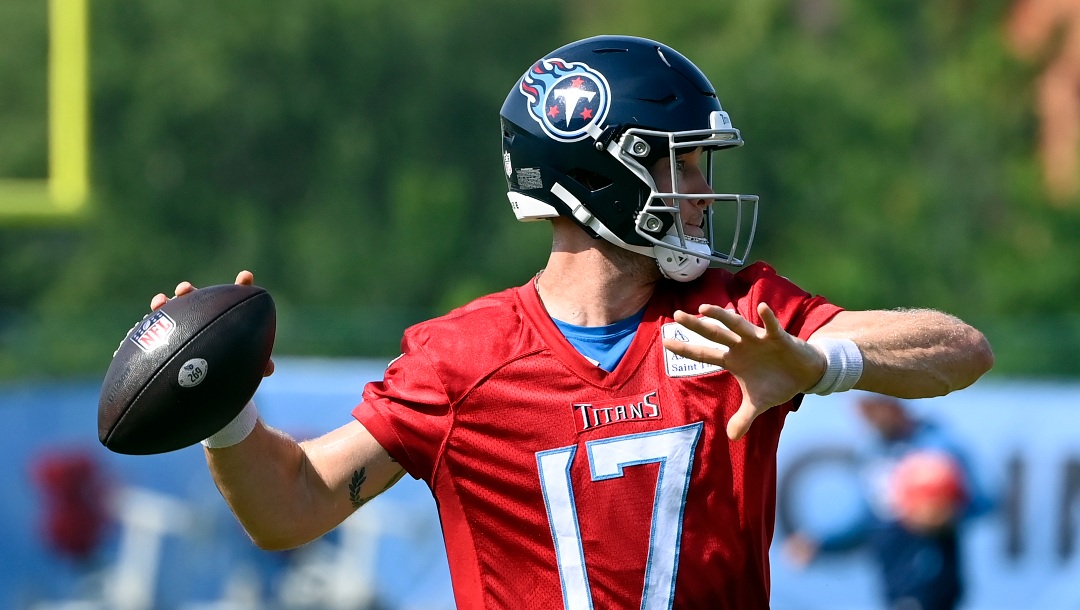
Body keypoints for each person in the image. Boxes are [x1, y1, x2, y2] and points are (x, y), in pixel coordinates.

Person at [151, 35, 993, 609]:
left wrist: (816, 362)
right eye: (683, 163)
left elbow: (959, 350)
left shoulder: (739, 316)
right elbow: (290, 506)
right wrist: (221, 409)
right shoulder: (462, 360)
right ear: (602, 177)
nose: (700, 192)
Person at [784, 394, 992, 610]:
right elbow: (870, 516)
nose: (865, 419)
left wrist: (948, 514)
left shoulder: (940, 444)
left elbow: (984, 500)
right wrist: (822, 543)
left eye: (870, 409)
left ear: (890, 403)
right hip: (893, 576)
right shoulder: (874, 451)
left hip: (931, 572)